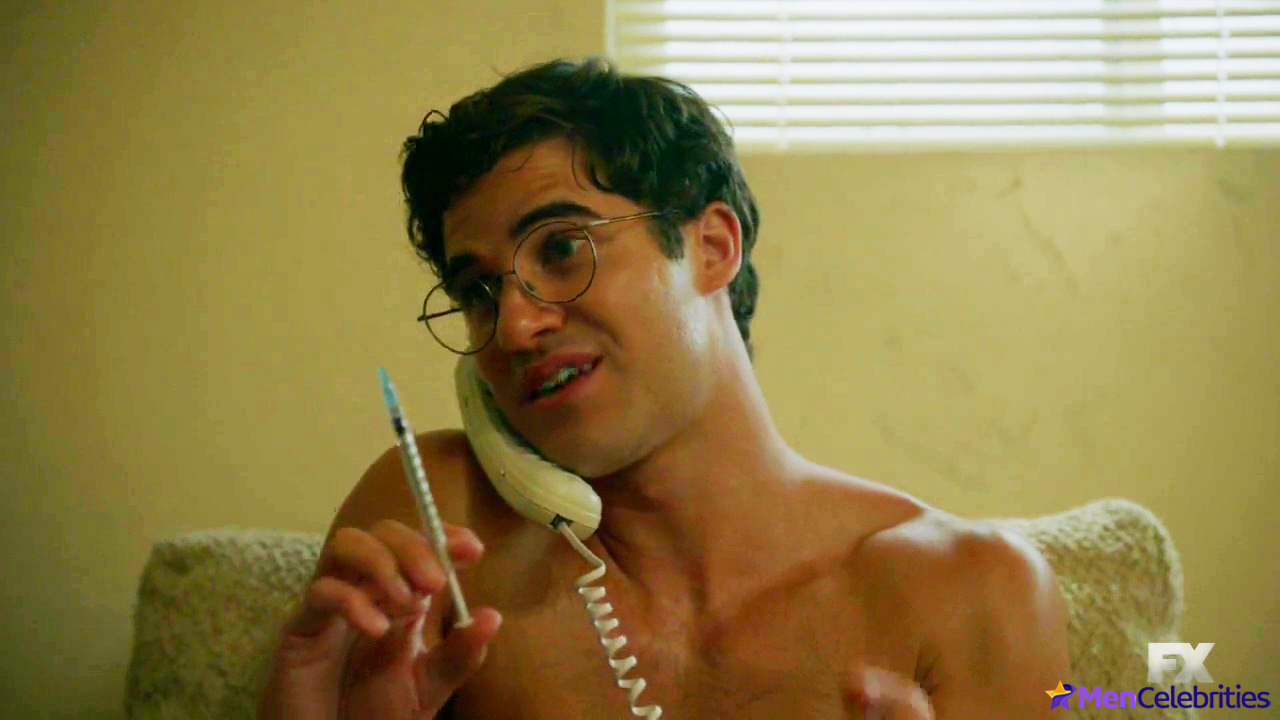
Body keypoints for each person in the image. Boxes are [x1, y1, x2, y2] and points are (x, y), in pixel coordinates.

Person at [257, 57, 1070, 719]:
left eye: (561, 249)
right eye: (478, 291)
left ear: (712, 248)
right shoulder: (442, 523)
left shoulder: (972, 592)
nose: (513, 327)